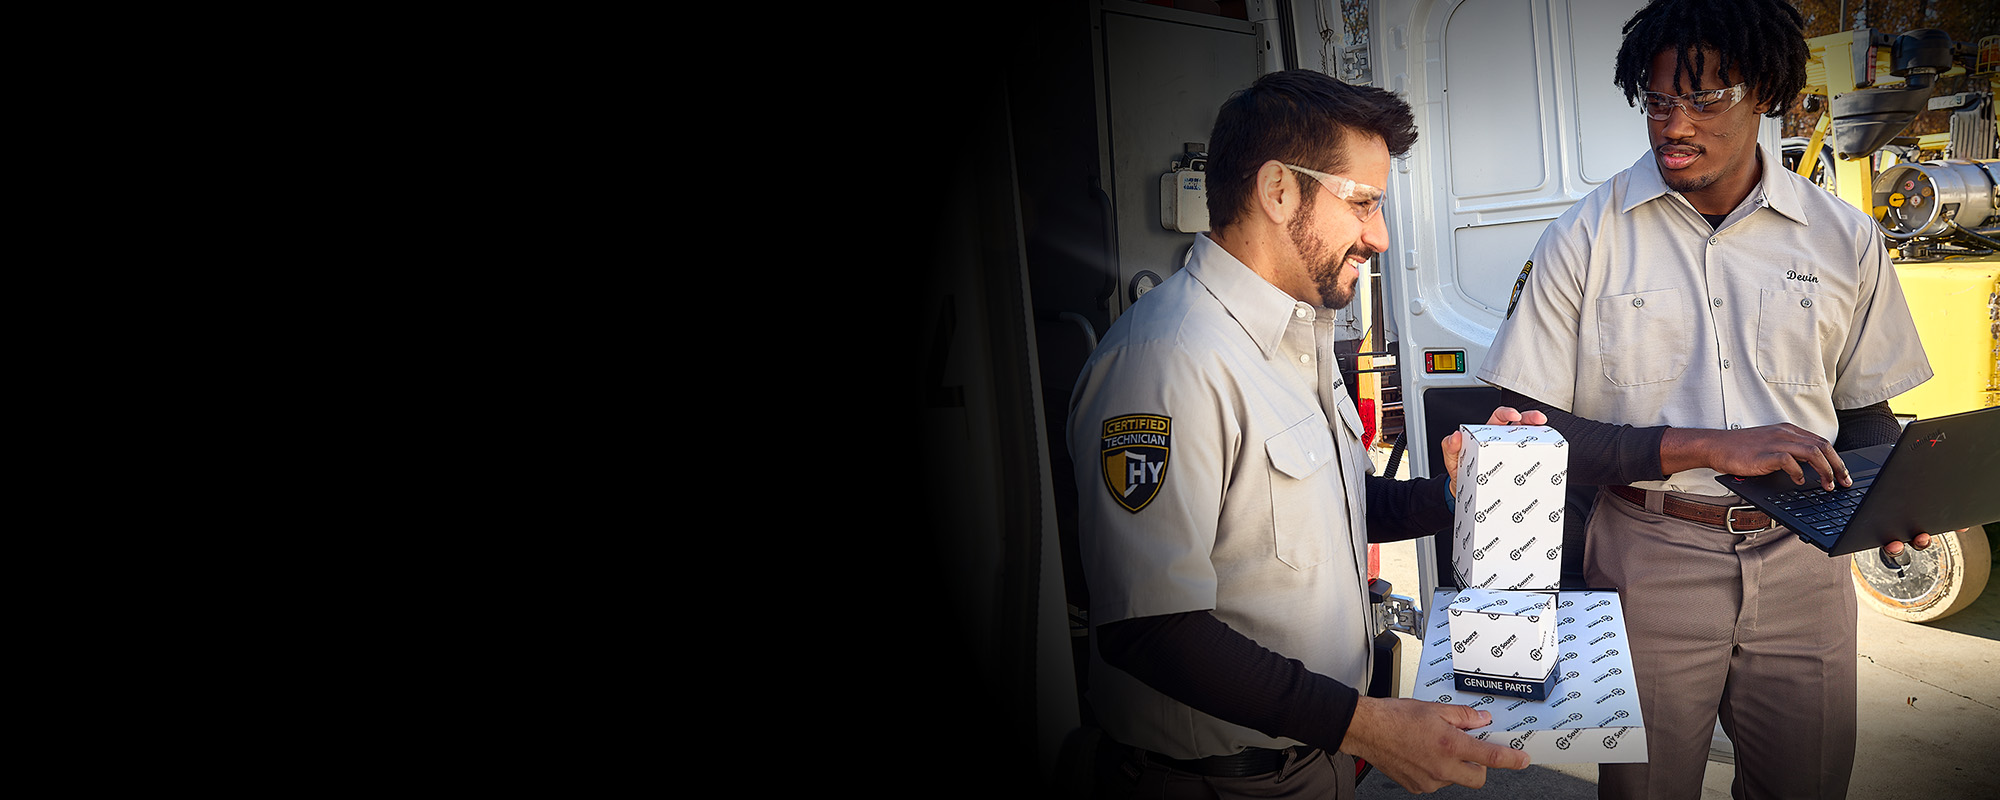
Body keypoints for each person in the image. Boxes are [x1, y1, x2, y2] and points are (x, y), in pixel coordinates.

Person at [1477, 1, 1951, 797]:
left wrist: (1888, 499)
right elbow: (1524, 431)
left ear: (1766, 92)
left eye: (1704, 100)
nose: (1674, 125)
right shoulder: (1585, 238)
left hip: (1807, 563)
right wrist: (1702, 445)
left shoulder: (1843, 239)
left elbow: (1863, 409)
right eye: (1659, 102)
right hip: (1650, 558)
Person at [1068, 69, 1535, 800]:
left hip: (1318, 761)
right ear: (1278, 189)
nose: (1378, 236)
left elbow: (1338, 507)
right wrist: (1367, 726)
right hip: (1220, 784)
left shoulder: (1297, 337)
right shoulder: (1165, 363)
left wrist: (1455, 492)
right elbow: (1150, 629)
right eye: (1364, 203)